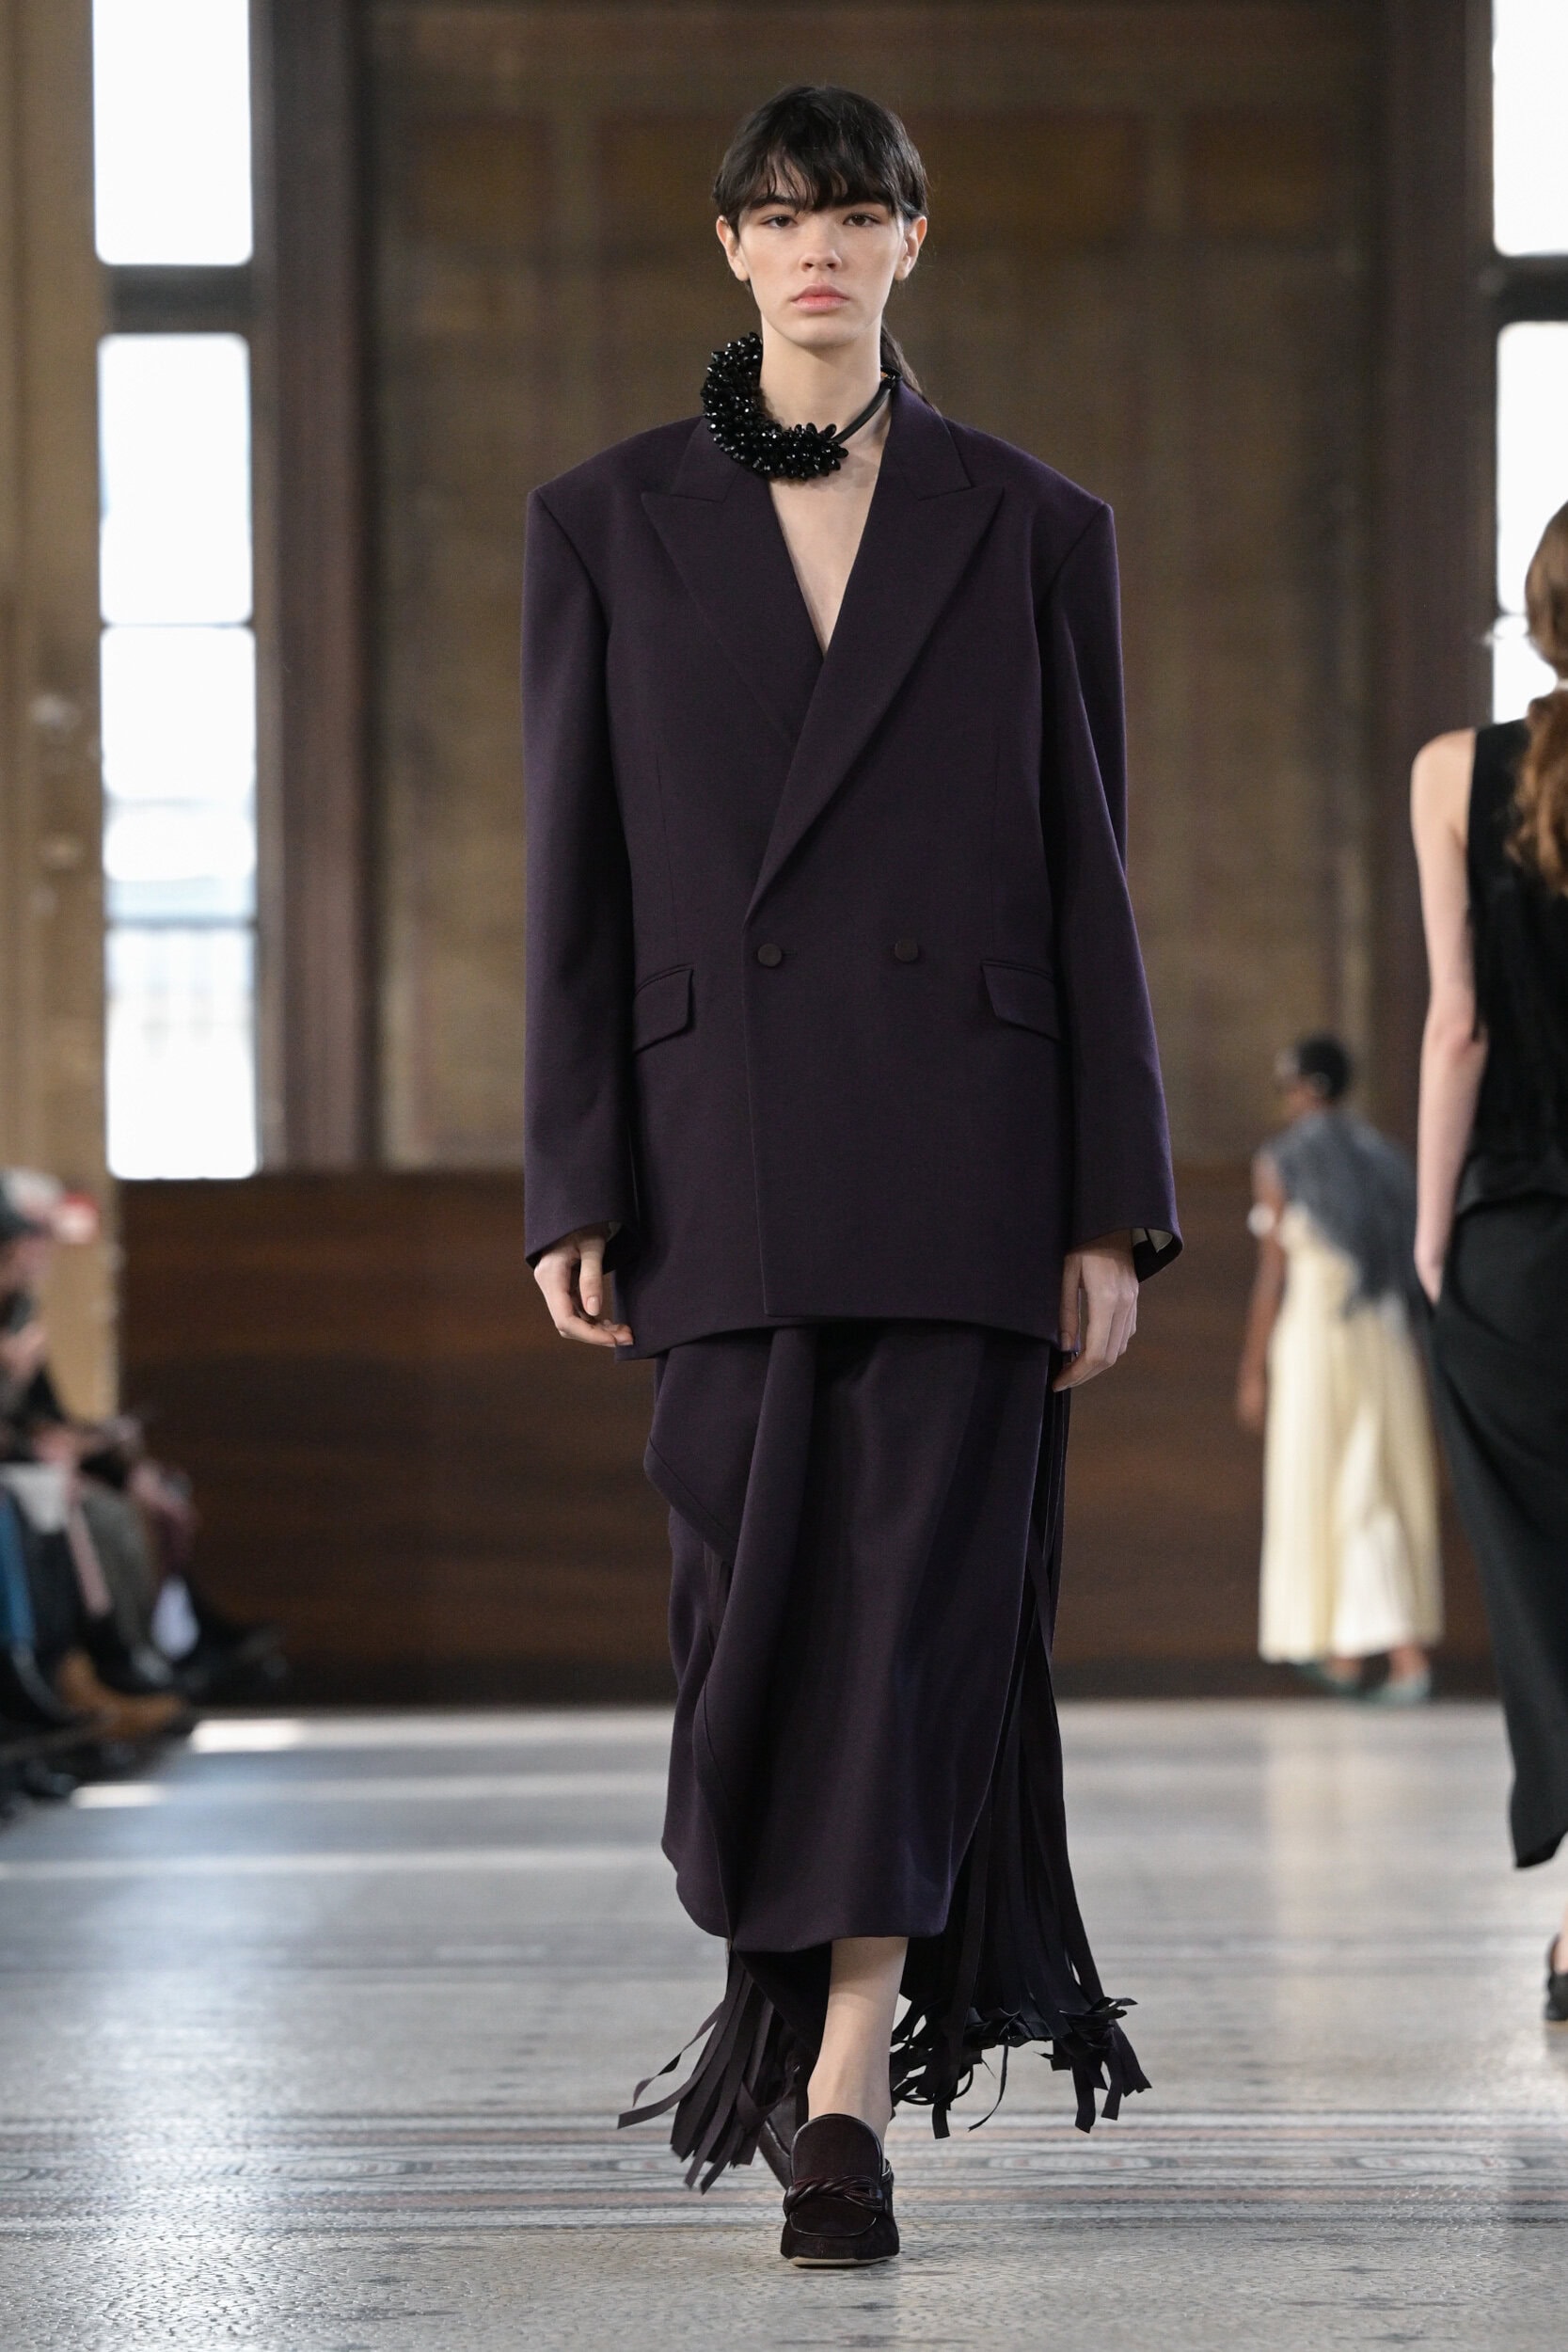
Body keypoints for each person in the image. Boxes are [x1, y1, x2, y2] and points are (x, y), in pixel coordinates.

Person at [523, 86, 1180, 2265]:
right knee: (748, 1622)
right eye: (780, 212)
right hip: (714, 1149)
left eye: (857, 211)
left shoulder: (1032, 523)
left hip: (967, 1148)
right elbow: (573, 878)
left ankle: (838, 2085)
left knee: (913, 1620)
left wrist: (1105, 1204)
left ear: (915, 240)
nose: (818, 244)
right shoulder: (602, 520)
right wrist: (572, 1168)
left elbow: (1088, 877)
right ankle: (784, 1984)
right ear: (728, 246)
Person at [1413, 499, 1568, 2026]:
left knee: (1545, 1575)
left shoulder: (1453, 772)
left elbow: (1455, 1025)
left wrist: (1427, 1231)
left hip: (1517, 1243)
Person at [1236, 1035, 1441, 1701]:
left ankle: (1393, 1655)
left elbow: (1273, 1274)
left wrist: (1251, 1369)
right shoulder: (1387, 1160)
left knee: (1327, 1481)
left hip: (1317, 1338)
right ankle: (1357, 1652)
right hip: (1386, 1339)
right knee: (1377, 1480)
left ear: (1306, 1086)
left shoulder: (1282, 1160)